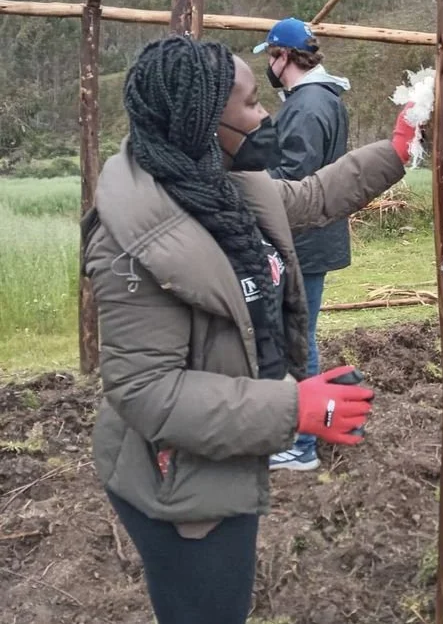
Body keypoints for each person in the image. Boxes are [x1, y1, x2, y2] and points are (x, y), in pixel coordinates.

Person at [81, 35, 418, 624]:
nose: (266, 116)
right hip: (176, 480)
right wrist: (295, 408)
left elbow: (313, 196)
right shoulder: (130, 240)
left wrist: (397, 150)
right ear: (203, 121)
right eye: (251, 103)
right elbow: (146, 390)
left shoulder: (226, 185)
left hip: (225, 448)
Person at [252, 18, 351, 471]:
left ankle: (302, 444)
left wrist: (248, 179)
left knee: (297, 340)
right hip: (312, 237)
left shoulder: (308, 106)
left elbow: (294, 179)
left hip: (304, 240)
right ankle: (307, 428)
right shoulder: (319, 99)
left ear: (285, 57)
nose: (269, 67)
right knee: (297, 336)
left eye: (271, 57)